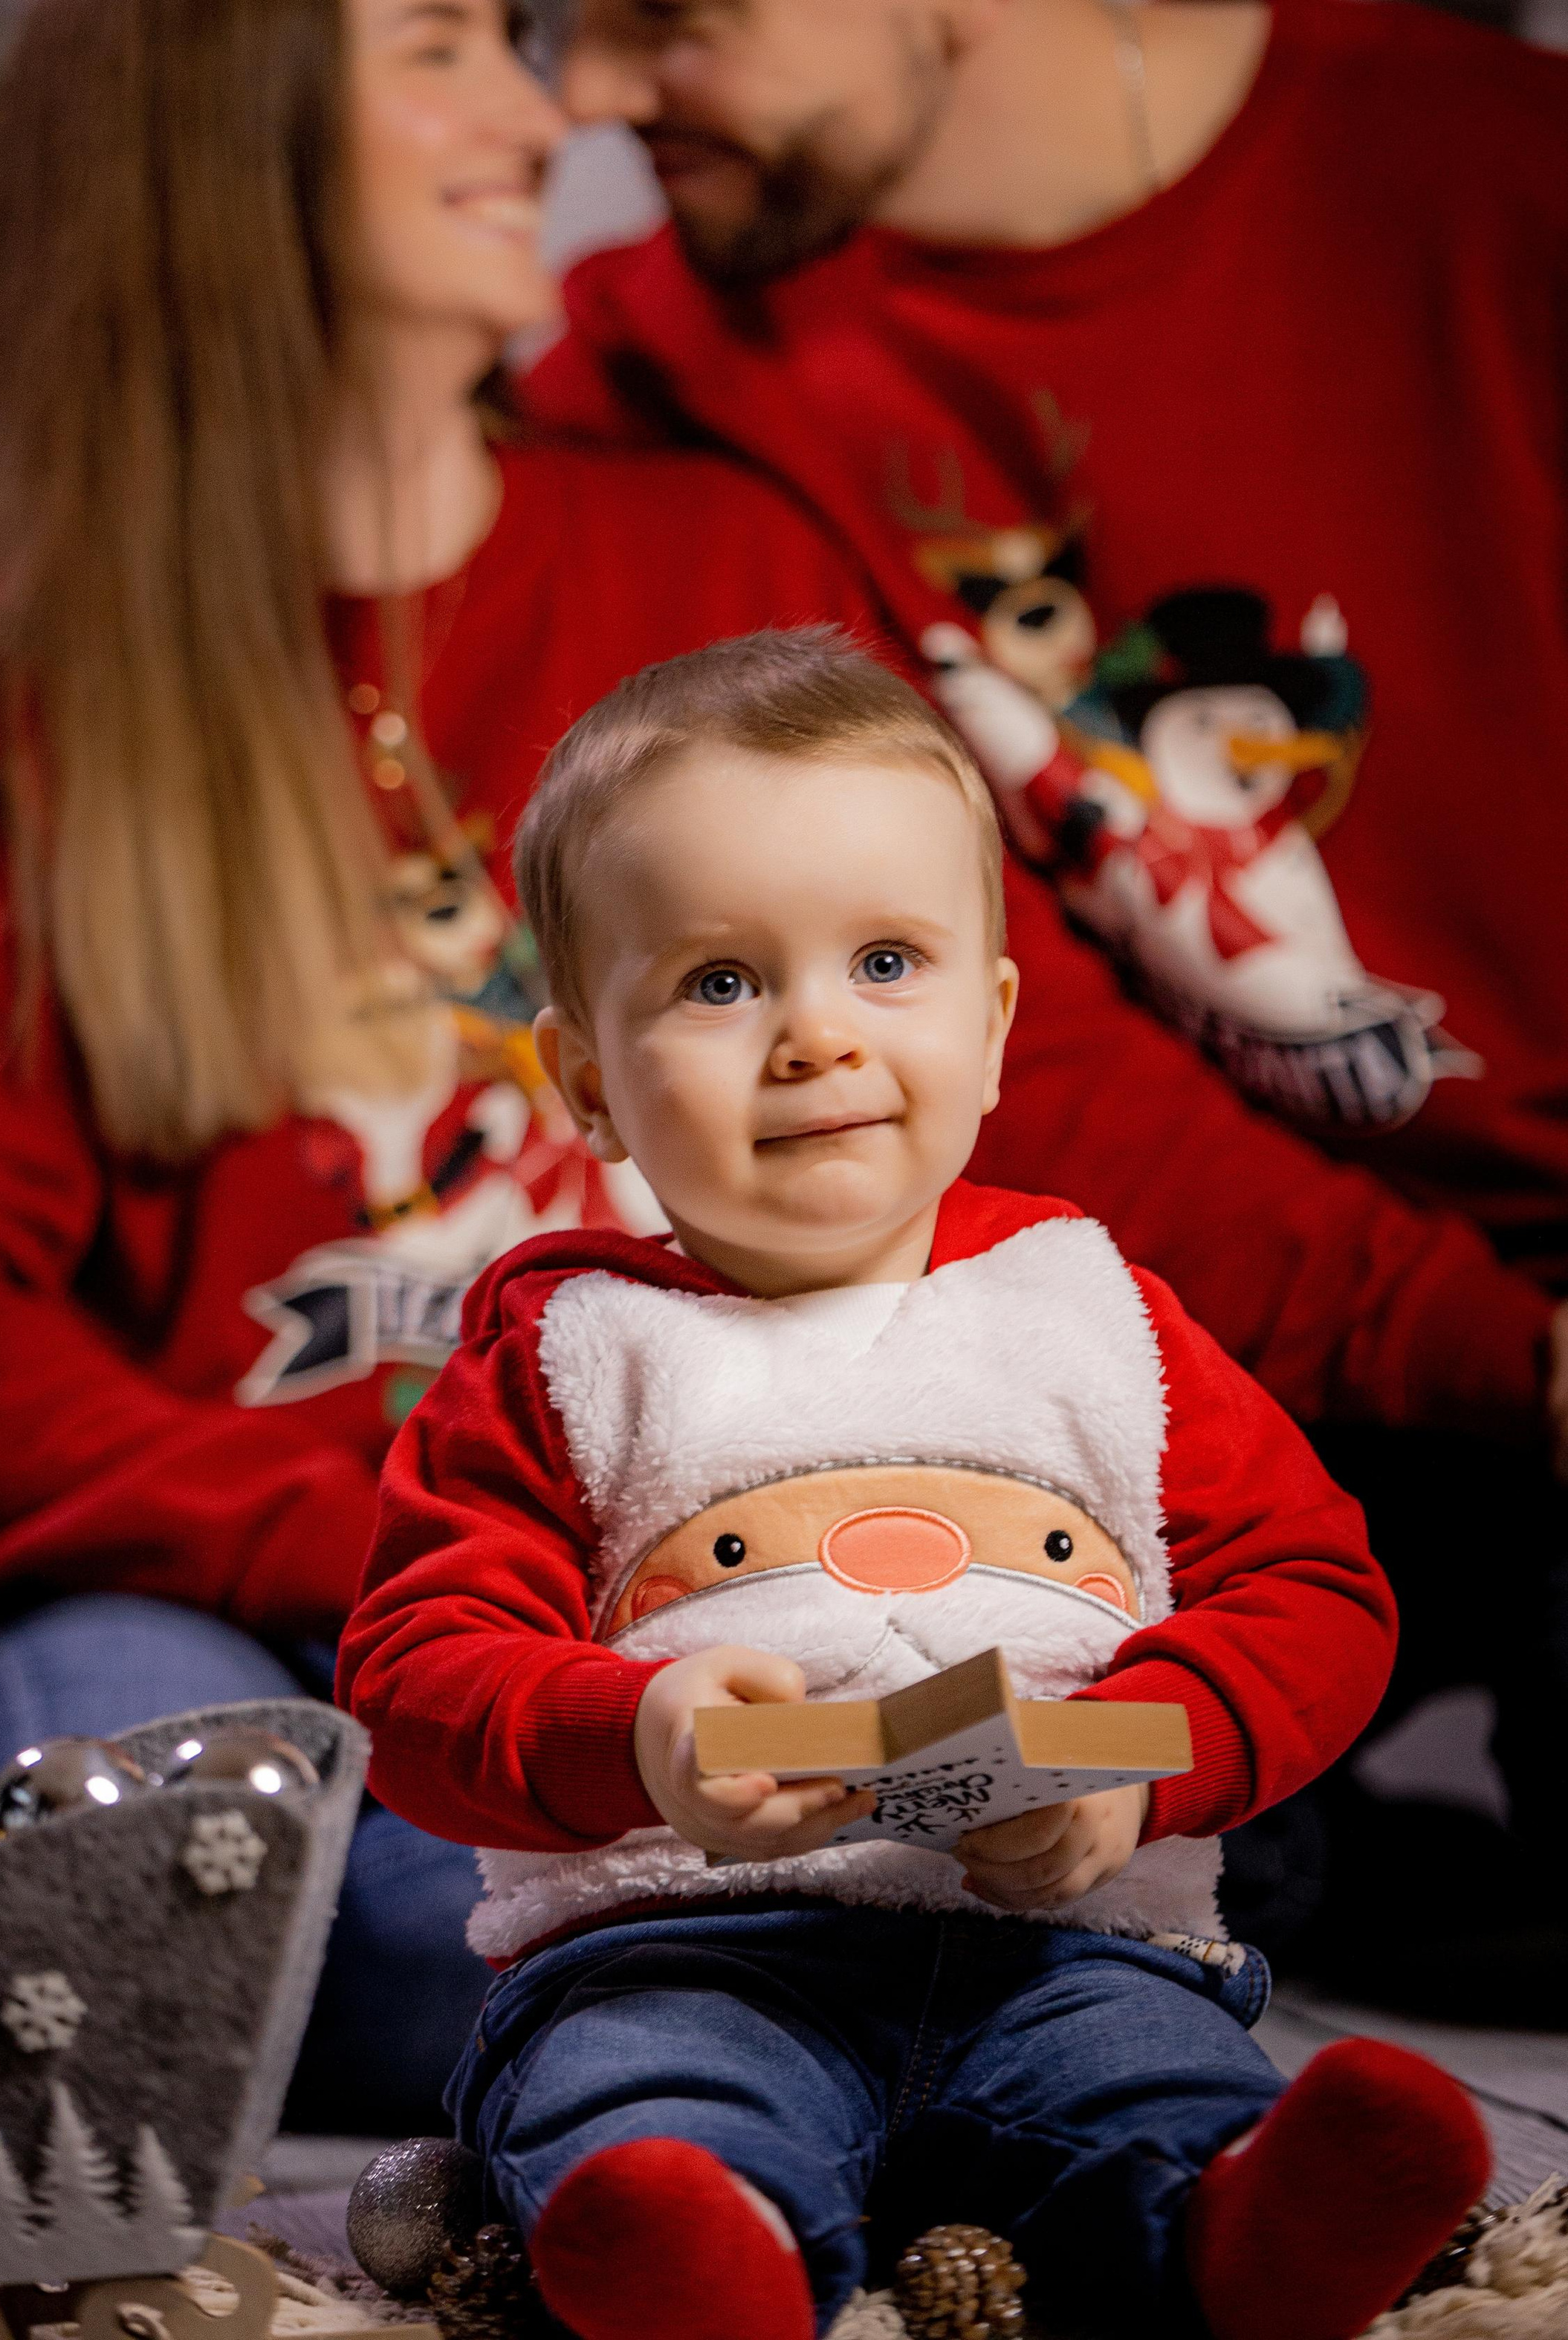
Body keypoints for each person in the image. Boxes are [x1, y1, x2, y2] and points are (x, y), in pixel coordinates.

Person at [0, 0, 922, 2127]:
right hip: (258, 1647)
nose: (542, 110)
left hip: (671, 1629)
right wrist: (375, 1517)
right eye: (443, 48)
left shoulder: (719, 571)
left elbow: (963, 1101)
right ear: (231, 149)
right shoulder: (15, 688)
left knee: (263, 1851)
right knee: (106, 1728)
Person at [511, 0, 1568, 2012]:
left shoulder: (1494, 193)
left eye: (667, 6)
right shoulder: (675, 362)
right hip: (1189, 1361)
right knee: (1009, 1915)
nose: (585, 94)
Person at [339, 629, 1486, 2340]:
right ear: (586, 1081)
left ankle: (1236, 2231)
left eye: (886, 961)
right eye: (720, 984)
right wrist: (635, 1735)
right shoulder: (568, 1357)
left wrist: (1135, 1776)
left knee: (1145, 2077)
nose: (814, 1036)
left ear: (994, 1021)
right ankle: (700, 2250)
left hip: (1064, 1937)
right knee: (640, 2096)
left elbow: (1312, 1596)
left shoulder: (1097, 1316)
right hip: (682, 1949)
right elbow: (412, 1677)